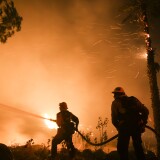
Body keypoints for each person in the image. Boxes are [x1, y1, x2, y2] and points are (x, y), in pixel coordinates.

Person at [111, 87, 149, 160]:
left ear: (117, 94)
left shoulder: (115, 103)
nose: (114, 96)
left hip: (124, 128)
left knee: (122, 149)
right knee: (138, 148)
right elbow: (146, 111)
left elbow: (114, 120)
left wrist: (120, 129)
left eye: (115, 94)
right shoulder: (134, 100)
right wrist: (142, 123)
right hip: (136, 127)